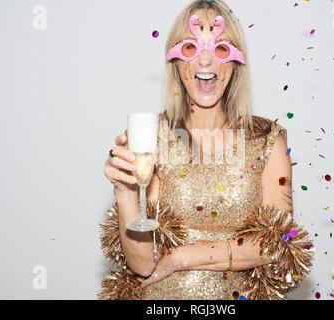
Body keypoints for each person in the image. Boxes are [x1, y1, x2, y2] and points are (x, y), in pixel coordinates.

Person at [100, 0, 313, 300]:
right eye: (191, 48)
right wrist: (124, 192)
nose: (205, 62)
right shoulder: (151, 138)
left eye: (220, 49)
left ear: (236, 62)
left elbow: (278, 241)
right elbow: (143, 265)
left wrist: (181, 257)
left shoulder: (268, 140)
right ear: (175, 61)